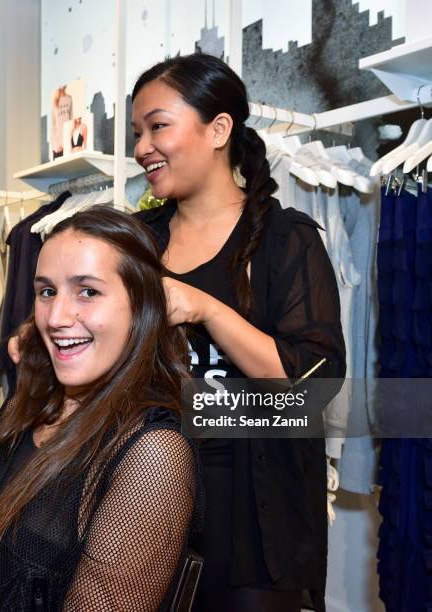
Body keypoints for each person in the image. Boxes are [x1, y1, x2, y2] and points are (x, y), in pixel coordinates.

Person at [0, 208, 201, 611]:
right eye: (46, 291)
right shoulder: (34, 401)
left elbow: (306, 400)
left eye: (88, 291)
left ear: (141, 306)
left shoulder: (152, 454)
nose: (56, 318)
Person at [130, 54, 346, 612]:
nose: (141, 148)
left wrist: (206, 309)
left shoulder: (286, 240)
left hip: (253, 507)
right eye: (137, 132)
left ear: (219, 129)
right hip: (145, 488)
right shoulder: (136, 242)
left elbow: (313, 388)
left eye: (158, 126)